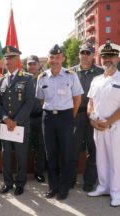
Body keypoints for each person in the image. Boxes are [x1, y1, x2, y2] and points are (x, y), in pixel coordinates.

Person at [36, 44, 83, 200]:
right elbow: (41, 100)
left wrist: (70, 116)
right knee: (51, 154)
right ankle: (53, 187)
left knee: (66, 154)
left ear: (63, 58)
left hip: (66, 118)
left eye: (58, 57)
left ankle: (64, 188)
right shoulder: (42, 77)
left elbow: (77, 98)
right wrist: (52, 111)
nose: (55, 60)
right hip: (48, 118)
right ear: (48, 59)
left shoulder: (71, 75)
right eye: (52, 57)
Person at [0, 46, 35, 196]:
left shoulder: (27, 78)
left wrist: (16, 121)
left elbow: (29, 102)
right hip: (6, 125)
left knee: (21, 156)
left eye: (12, 57)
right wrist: (6, 119)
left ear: (18, 59)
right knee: (5, 156)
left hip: (20, 125)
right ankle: (7, 183)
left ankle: (20, 183)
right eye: (6, 58)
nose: (9, 61)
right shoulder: (0, 81)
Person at [87, 41, 120, 207]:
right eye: (104, 56)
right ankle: (103, 186)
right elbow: (90, 102)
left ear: (118, 57)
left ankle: (116, 192)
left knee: (116, 160)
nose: (107, 59)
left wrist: (108, 121)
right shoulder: (96, 79)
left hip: (115, 127)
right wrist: (92, 120)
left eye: (111, 56)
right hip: (98, 127)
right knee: (101, 158)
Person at [70, 43, 103, 191]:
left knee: (93, 149)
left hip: (93, 116)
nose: (85, 56)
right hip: (75, 115)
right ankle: (70, 180)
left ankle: (89, 182)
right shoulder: (71, 73)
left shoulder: (101, 72)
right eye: (82, 52)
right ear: (79, 55)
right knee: (73, 149)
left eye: (88, 53)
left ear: (93, 55)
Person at [26, 55, 46, 183]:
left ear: (39, 65)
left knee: (41, 146)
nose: (32, 66)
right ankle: (23, 172)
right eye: (30, 64)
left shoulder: (45, 78)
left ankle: (39, 172)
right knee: (24, 146)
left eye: (34, 63)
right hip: (25, 118)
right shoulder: (23, 79)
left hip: (41, 117)